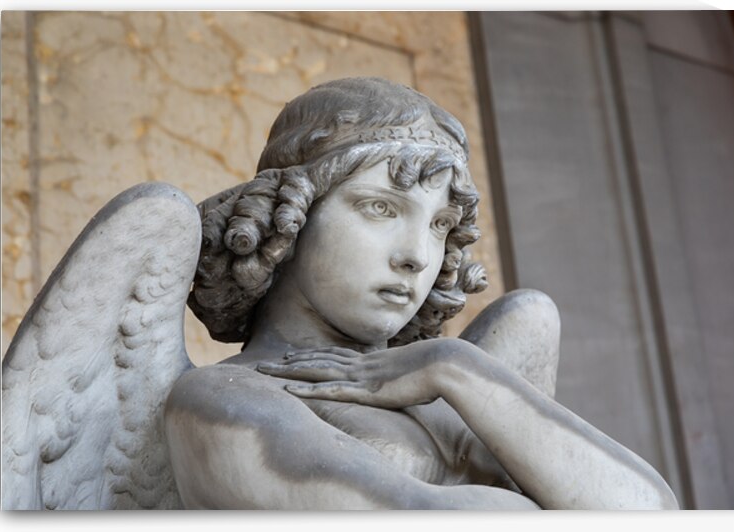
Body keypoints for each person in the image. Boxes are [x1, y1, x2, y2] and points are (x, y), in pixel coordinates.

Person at [164, 77, 679, 510]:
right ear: (291, 217)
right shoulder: (223, 400)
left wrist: (452, 367)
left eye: (439, 225)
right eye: (381, 208)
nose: (417, 255)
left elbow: (650, 511)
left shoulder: (450, 388)